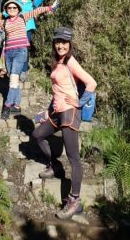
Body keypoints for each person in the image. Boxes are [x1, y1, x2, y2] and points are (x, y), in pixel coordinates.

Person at [32, 26, 97, 220]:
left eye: (64, 42)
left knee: (74, 157)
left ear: (70, 45)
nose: (61, 45)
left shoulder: (70, 61)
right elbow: (58, 90)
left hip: (70, 112)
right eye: (58, 42)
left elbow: (91, 83)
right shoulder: (57, 62)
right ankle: (55, 166)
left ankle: (75, 201)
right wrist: (48, 110)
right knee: (37, 135)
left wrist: (79, 102)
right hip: (57, 111)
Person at [0, 0, 59, 119]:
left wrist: (51, 7)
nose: (12, 9)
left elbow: (38, 10)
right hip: (8, 53)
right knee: (13, 80)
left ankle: (7, 106)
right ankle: (17, 106)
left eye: (14, 8)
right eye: (9, 8)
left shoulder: (22, 18)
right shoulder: (4, 22)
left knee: (13, 80)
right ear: (6, 10)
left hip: (20, 52)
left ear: (18, 9)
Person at [14, 0, 60, 80]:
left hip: (27, 28)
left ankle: (23, 71)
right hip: (16, 27)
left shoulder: (34, 0)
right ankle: (14, 69)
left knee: (24, 49)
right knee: (15, 48)